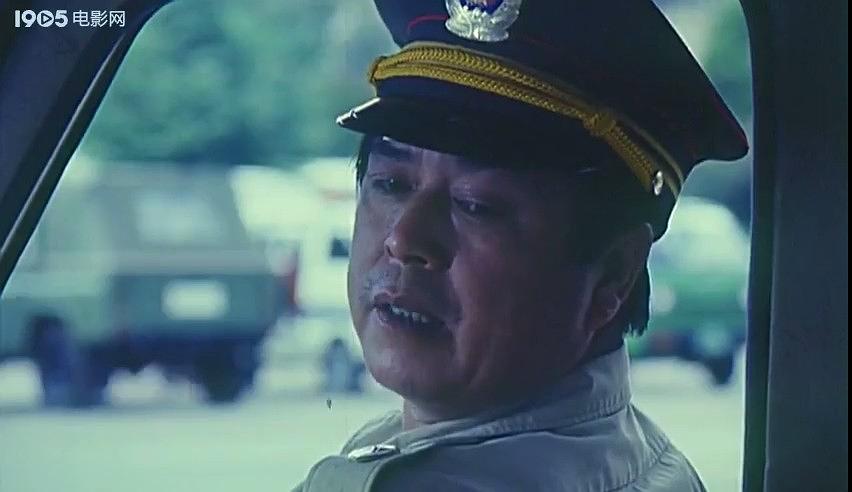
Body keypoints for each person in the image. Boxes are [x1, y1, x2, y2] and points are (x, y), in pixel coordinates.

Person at [293, 0, 747, 490]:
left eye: (476, 205)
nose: (405, 239)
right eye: (390, 184)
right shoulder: (648, 462)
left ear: (613, 274)